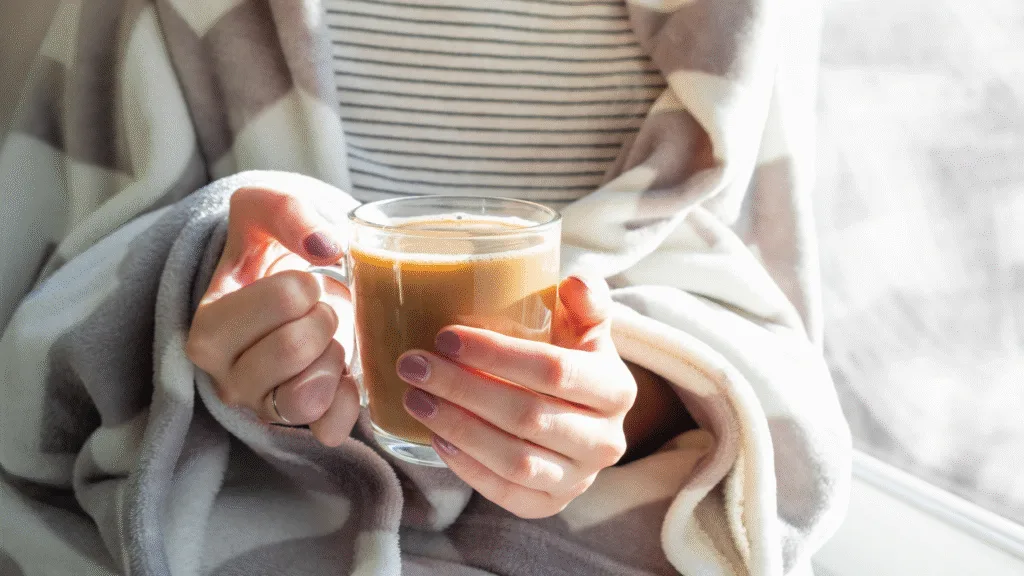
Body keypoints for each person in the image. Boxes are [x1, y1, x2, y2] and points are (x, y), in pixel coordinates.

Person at [0, 1, 850, 574]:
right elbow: (52, 296)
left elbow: (749, 314)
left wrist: (619, 409)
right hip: (247, 512)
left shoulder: (733, 26)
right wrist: (198, 268)